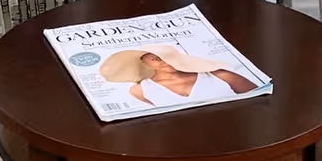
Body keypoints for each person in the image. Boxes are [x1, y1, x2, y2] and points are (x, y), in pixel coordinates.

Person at [98, 43, 258, 107]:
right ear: (145, 62)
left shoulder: (220, 75)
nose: (161, 61)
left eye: (165, 56)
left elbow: (260, 98)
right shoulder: (140, 90)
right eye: (153, 58)